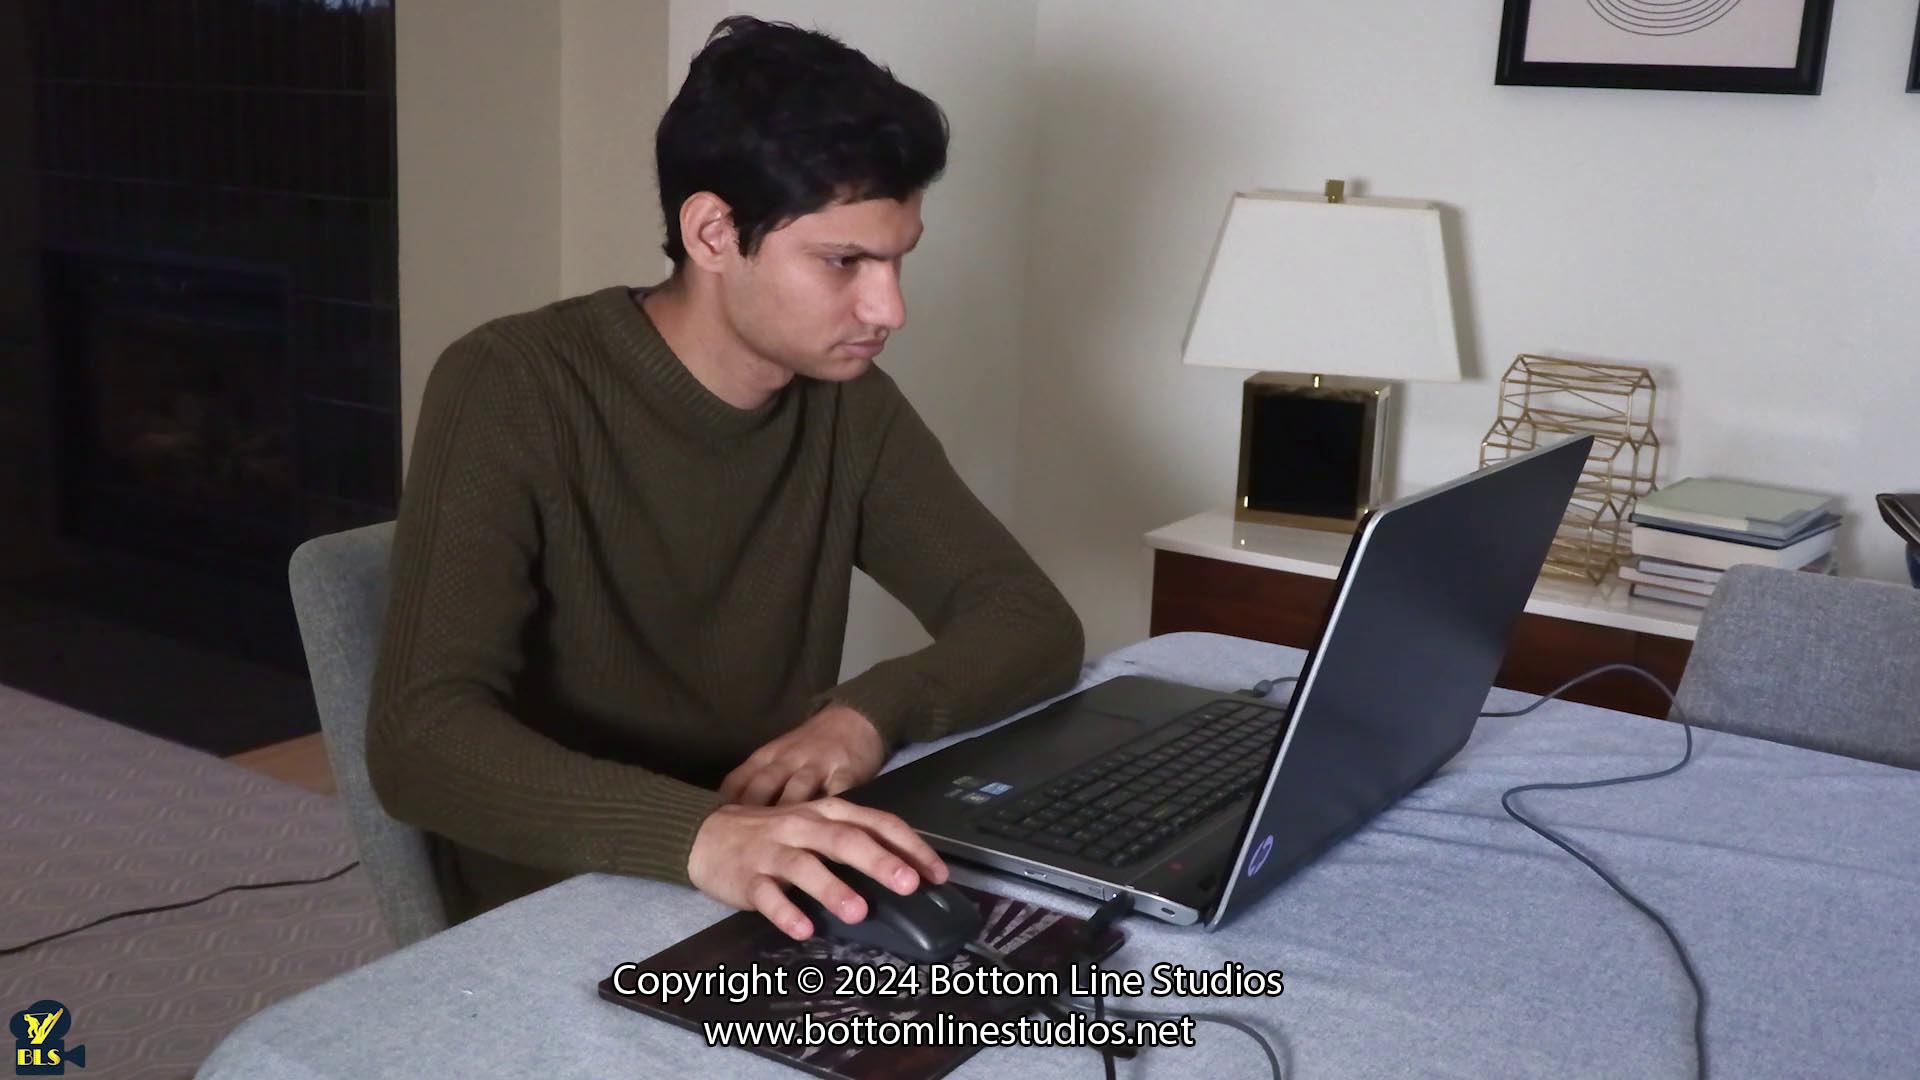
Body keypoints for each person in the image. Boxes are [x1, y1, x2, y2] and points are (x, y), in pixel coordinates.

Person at [365, 16, 1084, 940]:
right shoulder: (512, 382)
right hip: (569, 893)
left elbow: (1028, 618)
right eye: (844, 261)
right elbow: (419, 739)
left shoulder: (848, 404)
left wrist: (866, 716)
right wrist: (704, 834)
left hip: (771, 866)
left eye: (898, 258)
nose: (889, 307)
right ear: (712, 233)